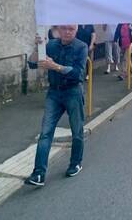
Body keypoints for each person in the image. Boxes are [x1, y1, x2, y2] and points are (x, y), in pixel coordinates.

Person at [25, 25, 88, 187]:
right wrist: (37, 48)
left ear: (76, 30)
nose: (68, 32)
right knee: (45, 133)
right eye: (65, 29)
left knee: (77, 131)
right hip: (54, 93)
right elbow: (32, 64)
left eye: (72, 29)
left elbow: (78, 74)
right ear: (59, 30)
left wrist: (55, 67)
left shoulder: (81, 47)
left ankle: (75, 163)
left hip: (73, 92)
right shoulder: (51, 45)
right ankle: (39, 173)